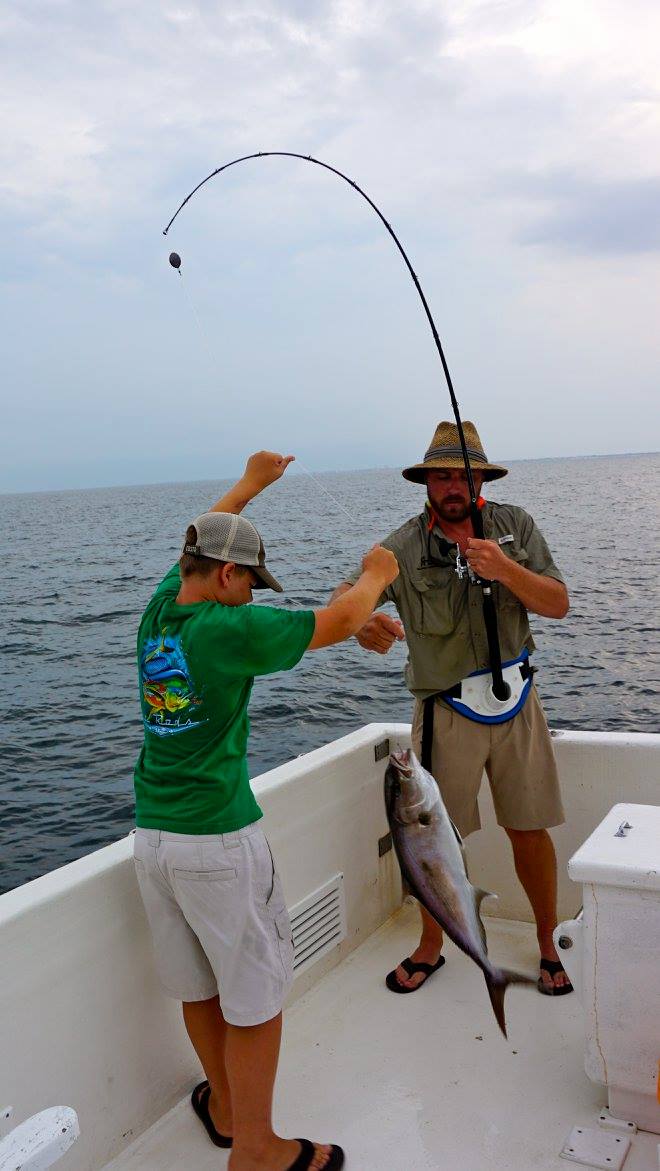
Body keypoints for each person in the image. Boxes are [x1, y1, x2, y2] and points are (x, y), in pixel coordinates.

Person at [132, 450, 398, 1171]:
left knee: (197, 987)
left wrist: (250, 485)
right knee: (255, 998)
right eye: (249, 578)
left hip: (152, 837)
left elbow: (203, 536)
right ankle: (256, 1148)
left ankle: (224, 1106)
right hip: (217, 841)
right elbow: (341, 619)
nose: (252, 592)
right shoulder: (228, 630)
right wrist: (379, 573)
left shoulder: (161, 611)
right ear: (225, 575)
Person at [331, 420, 573, 997]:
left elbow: (558, 603)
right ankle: (432, 945)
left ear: (480, 478)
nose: (451, 486)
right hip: (444, 711)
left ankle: (547, 942)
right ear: (426, 483)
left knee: (529, 830)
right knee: (431, 839)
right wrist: (362, 621)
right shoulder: (400, 547)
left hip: (518, 704)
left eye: (462, 474)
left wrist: (505, 569)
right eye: (440, 475)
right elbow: (343, 599)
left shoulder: (516, 527)